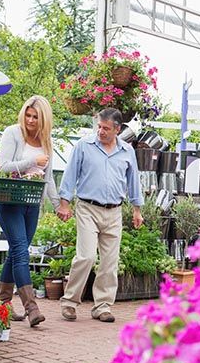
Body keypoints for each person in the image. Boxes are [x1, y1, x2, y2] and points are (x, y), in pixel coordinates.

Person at [56, 107, 143, 323]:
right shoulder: (84, 146)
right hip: (87, 208)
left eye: (105, 128)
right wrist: (64, 203)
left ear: (117, 129)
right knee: (86, 256)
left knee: (109, 262)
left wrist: (137, 210)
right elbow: (70, 175)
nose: (101, 131)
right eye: (99, 127)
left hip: (114, 212)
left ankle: (102, 306)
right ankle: (69, 302)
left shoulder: (127, 151)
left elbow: (134, 182)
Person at [0, 95, 60, 327]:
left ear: (44, 119)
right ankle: (31, 308)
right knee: (21, 252)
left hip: (32, 204)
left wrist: (58, 204)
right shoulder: (12, 132)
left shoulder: (46, 140)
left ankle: (2, 304)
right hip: (9, 201)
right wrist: (32, 161)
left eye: (36, 117)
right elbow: (3, 166)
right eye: (28, 115)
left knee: (15, 252)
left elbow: (48, 177)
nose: (30, 120)